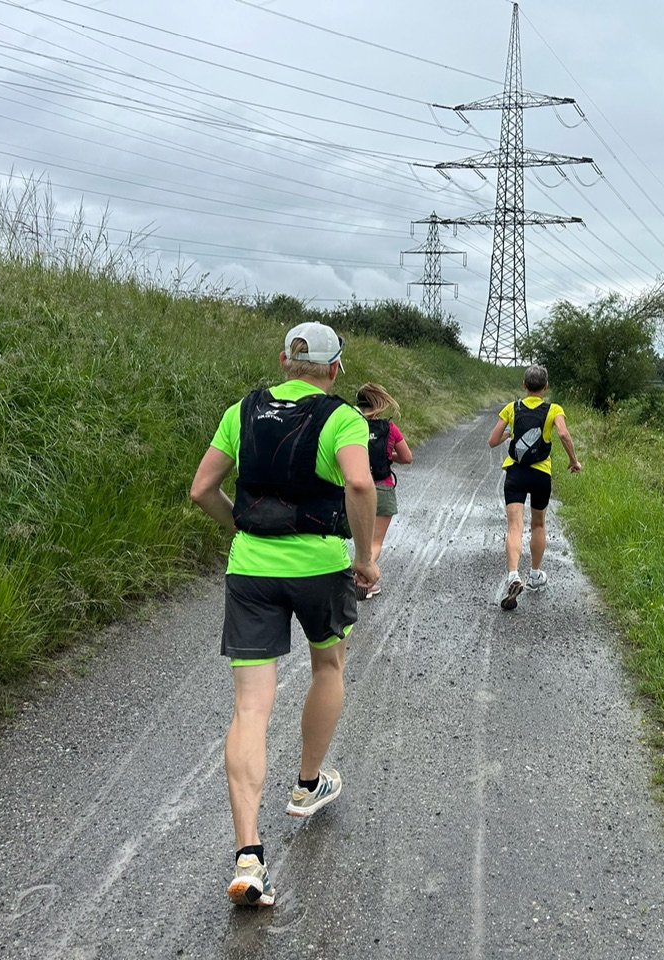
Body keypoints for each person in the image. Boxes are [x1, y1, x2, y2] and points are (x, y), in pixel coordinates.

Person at [190, 321, 379, 907]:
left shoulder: (240, 412)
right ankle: (306, 785)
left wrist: (242, 528)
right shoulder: (342, 417)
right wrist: (364, 557)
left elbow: (202, 490)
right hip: (320, 567)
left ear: (284, 360)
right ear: (336, 367)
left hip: (251, 568)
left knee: (249, 707)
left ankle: (249, 857)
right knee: (329, 667)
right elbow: (358, 483)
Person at [487, 364, 581, 611]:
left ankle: (513, 575)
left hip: (516, 472)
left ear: (524, 386)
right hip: (540, 474)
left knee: (514, 527)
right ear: (546, 387)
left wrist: (509, 433)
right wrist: (573, 460)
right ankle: (536, 574)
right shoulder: (553, 409)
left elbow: (492, 441)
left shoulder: (512, 408)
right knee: (538, 524)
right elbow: (563, 434)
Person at [355, 382, 413, 598]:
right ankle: (363, 582)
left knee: (360, 540)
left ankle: (361, 579)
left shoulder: (351, 424)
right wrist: (389, 457)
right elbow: (407, 458)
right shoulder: (389, 428)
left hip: (355, 490)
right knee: (375, 543)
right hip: (382, 488)